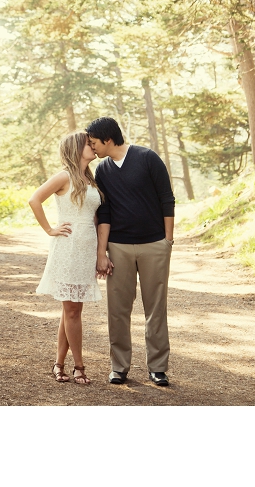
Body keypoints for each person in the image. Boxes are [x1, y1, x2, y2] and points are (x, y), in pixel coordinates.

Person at [88, 116, 176, 387]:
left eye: (94, 143)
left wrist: (167, 240)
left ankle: (158, 368)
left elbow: (166, 198)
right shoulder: (102, 170)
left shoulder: (147, 158)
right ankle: (119, 367)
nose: (92, 149)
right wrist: (102, 252)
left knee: (155, 308)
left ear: (108, 139)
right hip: (119, 246)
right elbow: (105, 210)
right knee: (118, 309)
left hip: (154, 244)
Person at [30, 131, 104, 386]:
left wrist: (100, 253)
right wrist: (50, 229)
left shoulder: (90, 178)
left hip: (86, 248)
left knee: (71, 309)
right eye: (88, 144)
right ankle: (79, 367)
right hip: (68, 248)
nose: (93, 147)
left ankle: (59, 364)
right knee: (72, 310)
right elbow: (34, 199)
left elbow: (95, 218)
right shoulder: (64, 176)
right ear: (76, 148)